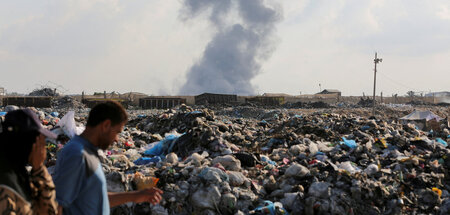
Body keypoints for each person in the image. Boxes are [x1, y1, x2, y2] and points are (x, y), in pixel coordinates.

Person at [53, 101, 163, 215]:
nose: (117, 139)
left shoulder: (89, 153)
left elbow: (95, 198)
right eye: (117, 132)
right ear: (106, 125)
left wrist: (135, 196)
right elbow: (57, 205)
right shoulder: (77, 154)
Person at [0, 109, 59, 214]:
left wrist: (39, 169)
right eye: (39, 141)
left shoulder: (19, 174)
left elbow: (47, 210)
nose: (42, 148)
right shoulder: (6, 185)